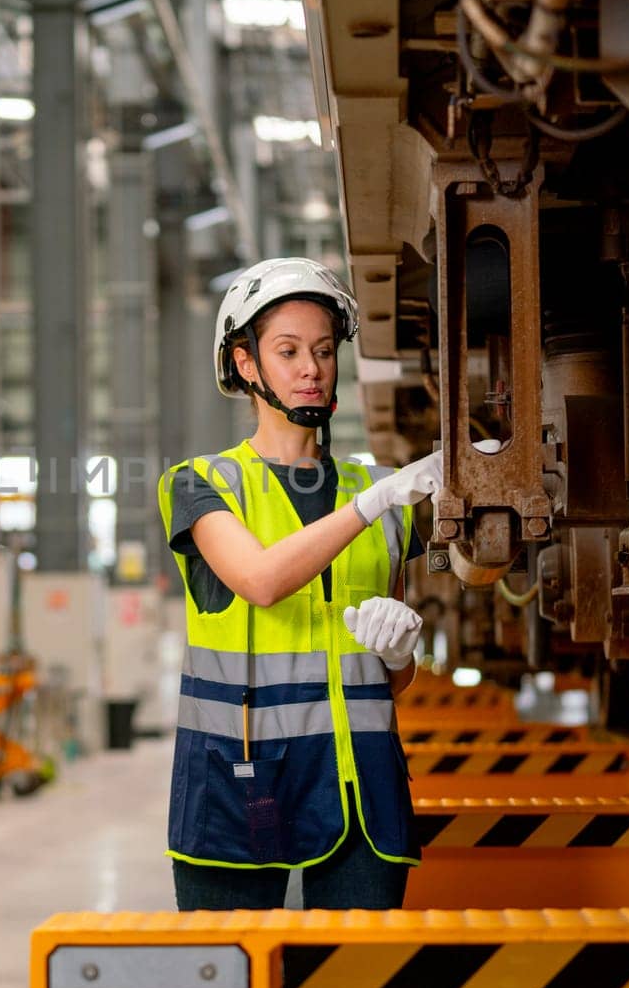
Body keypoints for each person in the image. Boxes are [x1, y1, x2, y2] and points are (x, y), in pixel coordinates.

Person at [158, 257, 447, 911]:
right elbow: (261, 579)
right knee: (234, 977)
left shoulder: (380, 493)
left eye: (322, 350)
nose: (311, 368)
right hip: (244, 790)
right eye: (287, 351)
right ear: (245, 363)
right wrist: (374, 502)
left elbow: (389, 683)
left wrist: (401, 655)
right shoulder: (201, 483)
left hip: (361, 790)